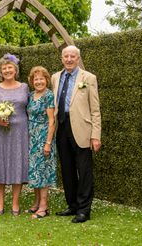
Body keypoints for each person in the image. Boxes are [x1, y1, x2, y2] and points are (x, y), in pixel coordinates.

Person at [52, 45, 102, 223]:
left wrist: (96, 135)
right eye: (66, 56)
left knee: (84, 171)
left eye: (73, 56)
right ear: (62, 58)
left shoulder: (88, 78)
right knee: (67, 170)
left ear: (78, 58)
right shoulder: (55, 77)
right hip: (62, 128)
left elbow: (95, 109)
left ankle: (84, 210)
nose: (69, 59)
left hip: (82, 130)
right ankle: (72, 205)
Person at [0, 53, 29, 216]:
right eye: (4, 68)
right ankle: (0, 204)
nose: (7, 70)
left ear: (15, 70)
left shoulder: (24, 87)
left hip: (20, 132)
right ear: (0, 71)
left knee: (17, 163)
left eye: (10, 67)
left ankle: (16, 204)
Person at [26, 66, 57, 219]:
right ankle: (36, 202)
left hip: (43, 137)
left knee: (43, 172)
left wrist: (48, 143)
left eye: (41, 78)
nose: (38, 81)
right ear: (32, 81)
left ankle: (44, 207)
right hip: (32, 138)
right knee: (34, 171)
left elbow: (52, 120)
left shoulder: (48, 95)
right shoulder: (31, 95)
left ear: (46, 80)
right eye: (35, 79)